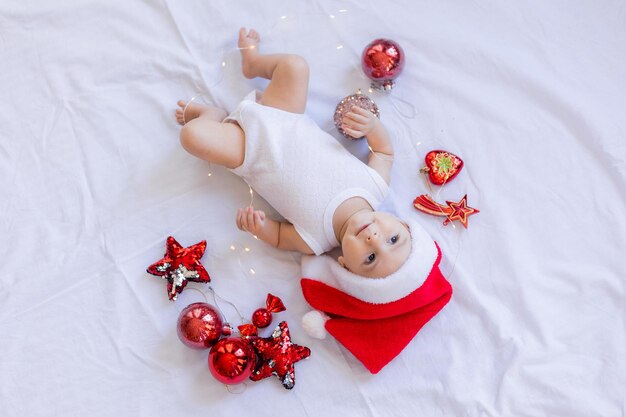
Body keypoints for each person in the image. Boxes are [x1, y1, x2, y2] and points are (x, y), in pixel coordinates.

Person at [175, 27, 414, 278]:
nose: (374, 239)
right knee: (294, 66)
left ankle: (212, 116)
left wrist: (259, 227)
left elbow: (279, 237)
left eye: (370, 258)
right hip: (285, 115)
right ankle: (254, 63)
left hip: (248, 150)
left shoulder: (315, 241)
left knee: (192, 137)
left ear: (344, 265)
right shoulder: (375, 185)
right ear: (403, 224)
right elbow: (384, 153)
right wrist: (373, 127)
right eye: (394, 238)